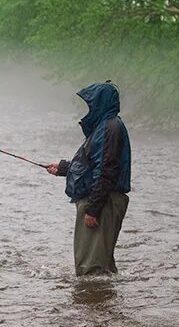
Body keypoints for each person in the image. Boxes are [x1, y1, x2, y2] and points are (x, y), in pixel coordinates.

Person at [47, 82, 131, 276]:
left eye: (92, 103)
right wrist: (63, 168)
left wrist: (93, 209)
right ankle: (104, 303)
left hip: (102, 203)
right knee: (99, 269)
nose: (89, 108)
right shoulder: (106, 127)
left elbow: (107, 171)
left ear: (101, 103)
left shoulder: (110, 128)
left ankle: (94, 305)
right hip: (102, 200)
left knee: (91, 271)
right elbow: (92, 166)